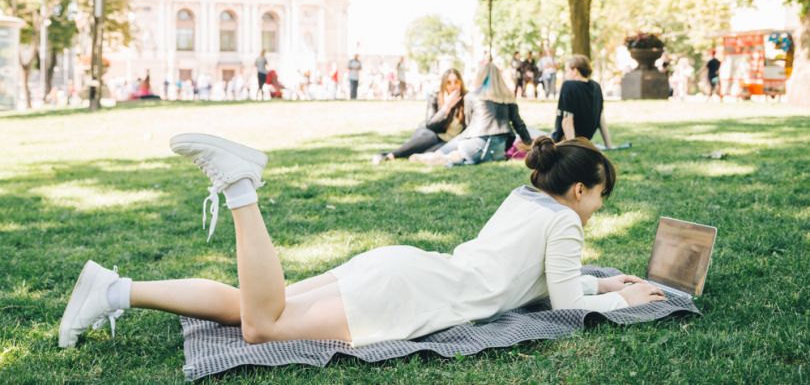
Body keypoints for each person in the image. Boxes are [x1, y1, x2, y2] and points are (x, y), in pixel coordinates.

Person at [58, 133, 666, 350]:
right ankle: (241, 186)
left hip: (406, 268)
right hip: (411, 296)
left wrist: (600, 281)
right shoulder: (563, 222)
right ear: (582, 191)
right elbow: (562, 306)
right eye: (601, 199)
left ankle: (114, 290)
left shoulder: (526, 200)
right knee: (262, 326)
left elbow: (538, 283)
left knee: (262, 305)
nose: (597, 212)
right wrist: (623, 303)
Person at [412, 63, 532, 166]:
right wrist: (530, 145)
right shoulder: (508, 97)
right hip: (498, 149)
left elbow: (469, 125)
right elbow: (519, 125)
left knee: (448, 148)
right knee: (460, 149)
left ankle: (437, 156)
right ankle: (449, 156)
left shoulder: (471, 96)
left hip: (472, 144)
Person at [372, 68, 467, 164]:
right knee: (431, 138)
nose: (453, 85)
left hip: (445, 141)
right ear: (443, 84)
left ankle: (409, 153)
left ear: (461, 83)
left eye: (456, 82)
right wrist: (446, 107)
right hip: (428, 133)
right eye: (449, 82)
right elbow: (431, 125)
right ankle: (390, 155)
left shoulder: (467, 99)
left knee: (430, 152)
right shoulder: (435, 96)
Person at [551, 55, 613, 148]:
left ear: (575, 70)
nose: (566, 74)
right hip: (585, 140)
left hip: (565, 140)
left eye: (568, 70)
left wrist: (574, 148)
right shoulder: (596, 86)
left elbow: (567, 120)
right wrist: (609, 145)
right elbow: (600, 118)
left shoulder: (569, 86)